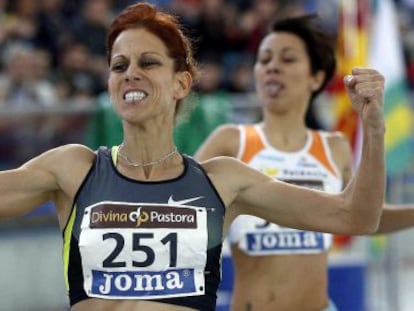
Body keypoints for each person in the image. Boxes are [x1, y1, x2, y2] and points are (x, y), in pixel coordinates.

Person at [0, 3, 386, 311]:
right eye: (120, 66)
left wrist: (372, 127)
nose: (130, 73)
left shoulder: (222, 181)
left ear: (181, 82)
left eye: (148, 62)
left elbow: (356, 216)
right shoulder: (73, 169)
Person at [195, 14, 413, 311]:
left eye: (287, 59)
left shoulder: (334, 147)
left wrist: (375, 127)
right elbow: (181, 213)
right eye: (264, 59)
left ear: (316, 77)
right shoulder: (230, 141)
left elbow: (363, 216)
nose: (272, 67)